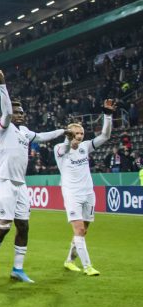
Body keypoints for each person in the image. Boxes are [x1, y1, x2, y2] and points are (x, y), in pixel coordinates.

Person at [0, 76, 65, 283]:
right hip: (3, 181)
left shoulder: (25, 132)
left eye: (21, 112)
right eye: (16, 111)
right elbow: (8, 111)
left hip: (20, 185)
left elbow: (44, 136)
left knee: (24, 226)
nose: (19, 114)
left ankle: (17, 269)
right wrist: (2, 84)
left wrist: (64, 131)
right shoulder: (3, 127)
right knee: (4, 225)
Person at [56, 100, 115, 276]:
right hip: (72, 194)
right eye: (76, 133)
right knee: (79, 230)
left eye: (81, 133)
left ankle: (69, 260)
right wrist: (69, 142)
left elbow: (105, 136)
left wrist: (108, 116)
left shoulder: (85, 147)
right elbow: (67, 148)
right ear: (69, 134)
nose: (80, 136)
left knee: (84, 231)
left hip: (88, 192)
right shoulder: (59, 148)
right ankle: (87, 266)